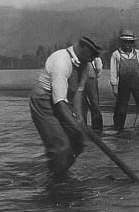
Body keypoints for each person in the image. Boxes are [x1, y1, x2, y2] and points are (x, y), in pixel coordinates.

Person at [30, 37, 102, 179]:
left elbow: (78, 92)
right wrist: (75, 126)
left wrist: (79, 118)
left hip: (61, 101)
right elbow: (59, 102)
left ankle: (59, 171)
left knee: (79, 142)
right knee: (61, 146)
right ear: (83, 47)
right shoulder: (61, 61)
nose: (95, 57)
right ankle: (56, 179)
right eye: (93, 52)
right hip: (43, 102)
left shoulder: (85, 65)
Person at [110, 30, 139, 132]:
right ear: (121, 42)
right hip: (123, 85)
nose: (127, 45)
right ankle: (118, 130)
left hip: (137, 84)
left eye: (130, 42)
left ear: (133, 43)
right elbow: (113, 72)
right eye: (125, 42)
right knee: (121, 108)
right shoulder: (116, 54)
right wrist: (114, 86)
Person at [82, 55, 104, 132]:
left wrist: (95, 76)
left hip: (91, 80)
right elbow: (99, 68)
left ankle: (96, 128)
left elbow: (99, 68)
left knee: (93, 104)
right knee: (86, 105)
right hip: (82, 81)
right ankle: (86, 128)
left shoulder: (94, 57)